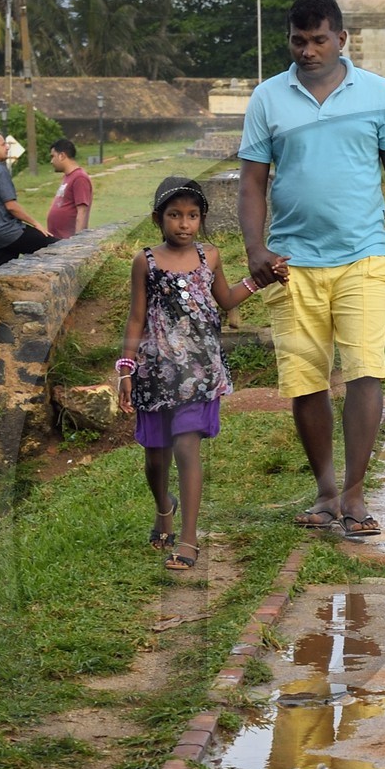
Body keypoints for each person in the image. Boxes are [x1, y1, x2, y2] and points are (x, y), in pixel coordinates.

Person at [239, 0, 385, 539]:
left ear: (342, 39)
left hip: (364, 257)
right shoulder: (266, 98)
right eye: (298, 41)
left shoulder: (377, 93)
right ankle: (326, 490)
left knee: (365, 372)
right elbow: (253, 182)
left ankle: (354, 493)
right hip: (292, 263)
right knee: (305, 382)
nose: (308, 51)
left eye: (319, 39)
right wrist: (255, 247)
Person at [116, 176, 266, 572]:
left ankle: (188, 540)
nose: (184, 223)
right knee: (155, 457)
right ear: (158, 218)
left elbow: (227, 298)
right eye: (175, 215)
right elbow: (135, 319)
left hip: (198, 372)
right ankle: (164, 509)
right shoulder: (144, 261)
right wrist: (125, 370)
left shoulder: (210, 256)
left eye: (192, 216)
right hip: (155, 370)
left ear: (201, 219)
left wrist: (259, 281)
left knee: (186, 447)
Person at [0, 126, 53, 270]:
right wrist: (35, 224)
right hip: (8, 231)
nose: (7, 147)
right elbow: (11, 206)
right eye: (3, 144)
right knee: (56, 247)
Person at [47, 138, 94, 237]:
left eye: (53, 156)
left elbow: (82, 211)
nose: (51, 161)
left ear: (62, 156)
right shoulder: (68, 176)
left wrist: (77, 242)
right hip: (58, 240)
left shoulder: (79, 178)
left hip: (67, 242)